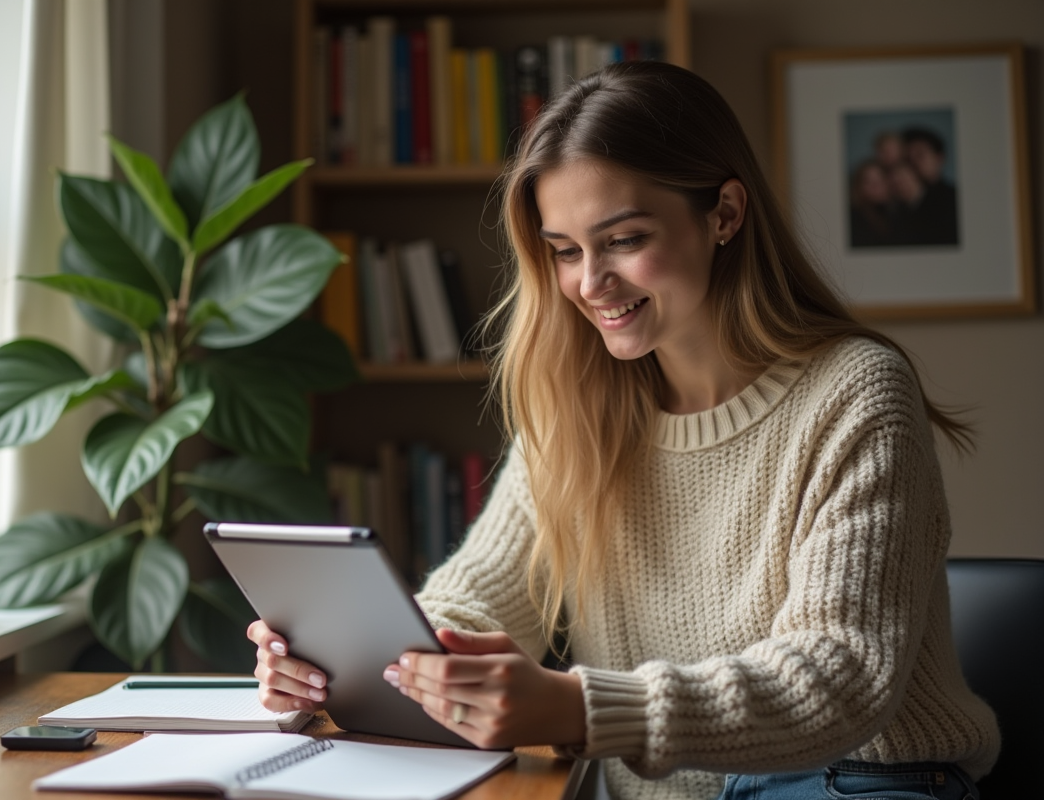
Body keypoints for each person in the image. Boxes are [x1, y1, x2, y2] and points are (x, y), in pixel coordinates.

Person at [248, 61, 998, 800]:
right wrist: (361, 660)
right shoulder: (579, 406)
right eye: (565, 251)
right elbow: (476, 600)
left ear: (724, 214)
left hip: (854, 779)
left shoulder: (856, 392)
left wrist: (577, 708)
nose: (589, 283)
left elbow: (840, 677)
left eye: (625, 239)